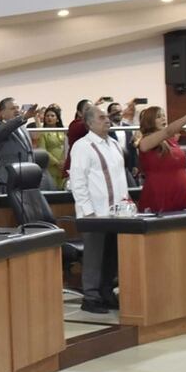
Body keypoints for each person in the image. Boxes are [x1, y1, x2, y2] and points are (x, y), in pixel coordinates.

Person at [69, 106, 130, 313]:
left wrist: (127, 203)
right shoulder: (82, 146)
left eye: (107, 117)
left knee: (112, 254)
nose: (107, 120)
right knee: (94, 256)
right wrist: (87, 211)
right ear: (90, 123)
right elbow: (78, 181)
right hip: (94, 213)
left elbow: (120, 178)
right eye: (101, 117)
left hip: (117, 212)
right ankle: (91, 297)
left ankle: (106, 291)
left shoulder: (113, 144)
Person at [136, 104, 186, 213]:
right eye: (159, 116)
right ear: (149, 121)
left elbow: (184, 168)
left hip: (183, 194)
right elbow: (168, 131)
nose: (164, 118)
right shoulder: (145, 141)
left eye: (164, 115)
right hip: (160, 194)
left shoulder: (171, 141)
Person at [0, 98, 37, 191]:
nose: (17, 110)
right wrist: (23, 118)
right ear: (2, 112)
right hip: (9, 180)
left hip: (26, 177)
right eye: (12, 108)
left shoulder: (23, 128)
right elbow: (6, 128)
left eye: (17, 107)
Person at [62, 98, 93, 180]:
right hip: (74, 172)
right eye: (88, 110)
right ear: (79, 113)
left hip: (89, 169)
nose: (91, 112)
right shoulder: (75, 125)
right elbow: (87, 126)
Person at [37, 106, 67, 190]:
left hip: (64, 167)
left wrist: (65, 162)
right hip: (51, 167)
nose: (49, 118)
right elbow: (43, 150)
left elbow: (67, 147)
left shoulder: (64, 131)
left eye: (52, 116)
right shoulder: (42, 133)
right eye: (47, 116)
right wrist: (57, 163)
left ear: (57, 119)